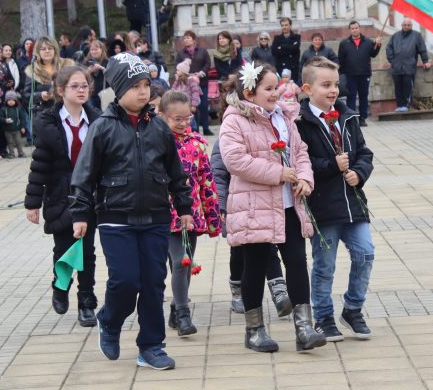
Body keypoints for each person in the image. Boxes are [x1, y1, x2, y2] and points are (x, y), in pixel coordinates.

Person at [70, 53, 194, 370]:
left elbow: (176, 172)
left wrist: (184, 206)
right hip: (115, 218)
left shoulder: (159, 129)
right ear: (118, 88)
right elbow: (83, 175)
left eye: (146, 85)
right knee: (125, 281)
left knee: (153, 282)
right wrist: (81, 214)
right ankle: (109, 321)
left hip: (155, 217)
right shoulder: (102, 127)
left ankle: (151, 346)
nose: (143, 92)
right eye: (135, 86)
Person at [219, 61, 326, 353]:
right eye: (268, 88)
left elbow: (300, 151)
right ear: (250, 92)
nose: (274, 93)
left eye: (276, 87)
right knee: (254, 266)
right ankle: (254, 331)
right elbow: (235, 160)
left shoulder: (284, 117)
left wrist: (304, 177)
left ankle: (304, 328)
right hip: (255, 206)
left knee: (296, 262)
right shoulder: (235, 120)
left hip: (289, 204)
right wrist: (277, 173)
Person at [296, 57, 375, 342]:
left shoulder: (348, 116)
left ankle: (353, 308)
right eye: (325, 85)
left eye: (336, 85)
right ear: (308, 88)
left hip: (354, 203)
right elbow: (301, 161)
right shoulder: (300, 123)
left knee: (365, 252)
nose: (333, 91)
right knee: (325, 265)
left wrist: (358, 173)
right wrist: (332, 165)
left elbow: (364, 152)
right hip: (323, 206)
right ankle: (324, 316)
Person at [25, 67, 100, 327]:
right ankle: (60, 286)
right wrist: (32, 203)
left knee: (87, 251)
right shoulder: (50, 123)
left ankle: (87, 302)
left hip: (89, 195)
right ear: (60, 90)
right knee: (64, 248)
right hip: (59, 194)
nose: (81, 90)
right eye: (75, 86)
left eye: (85, 86)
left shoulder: (97, 120)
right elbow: (40, 165)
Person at [158, 90, 220, 337]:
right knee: (180, 261)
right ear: (163, 116)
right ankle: (183, 313)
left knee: (184, 263)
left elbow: (207, 180)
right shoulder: (158, 142)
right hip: (164, 212)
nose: (183, 123)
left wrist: (213, 214)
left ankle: (176, 308)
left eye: (187, 118)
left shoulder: (197, 144)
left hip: (190, 214)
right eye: (177, 119)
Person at [210, 132, 292, 318]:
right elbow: (218, 176)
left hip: (264, 205)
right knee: (238, 252)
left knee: (268, 247)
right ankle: (237, 288)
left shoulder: (268, 136)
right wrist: (220, 206)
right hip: (238, 206)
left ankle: (279, 292)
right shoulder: (225, 139)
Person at [23, 37, 75, 132]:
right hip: (44, 114)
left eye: (50, 48)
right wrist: (40, 96)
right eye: (43, 49)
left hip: (67, 112)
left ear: (55, 50)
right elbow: (26, 96)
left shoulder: (67, 65)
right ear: (38, 51)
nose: (47, 51)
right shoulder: (32, 70)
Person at [338, 21, 381, 127]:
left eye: (356, 27)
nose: (354, 30)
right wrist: (341, 74)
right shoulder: (344, 43)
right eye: (352, 28)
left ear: (359, 28)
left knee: (363, 97)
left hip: (364, 74)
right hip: (350, 75)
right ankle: (352, 119)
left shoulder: (368, 41)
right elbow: (341, 59)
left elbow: (373, 54)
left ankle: (362, 119)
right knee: (351, 97)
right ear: (350, 30)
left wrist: (378, 46)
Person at [386, 19, 430, 113]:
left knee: (407, 87)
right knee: (398, 87)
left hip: (409, 67)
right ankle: (399, 105)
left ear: (411, 26)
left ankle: (406, 105)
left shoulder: (416, 36)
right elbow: (389, 48)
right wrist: (392, 60)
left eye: (408, 25)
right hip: (396, 67)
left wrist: (425, 61)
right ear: (402, 25)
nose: (406, 26)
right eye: (405, 25)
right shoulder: (395, 36)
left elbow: (422, 49)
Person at [175, 30, 212, 136]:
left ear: (194, 39)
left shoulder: (202, 51)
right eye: (184, 38)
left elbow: (207, 63)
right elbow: (177, 65)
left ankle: (206, 127)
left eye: (188, 37)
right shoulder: (181, 53)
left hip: (202, 81)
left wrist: (201, 73)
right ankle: (194, 129)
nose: (186, 40)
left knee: (203, 105)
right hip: (188, 83)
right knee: (191, 106)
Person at [270, 17, 301, 83]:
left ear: (290, 25)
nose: (284, 27)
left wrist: (282, 47)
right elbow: (274, 51)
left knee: (293, 91)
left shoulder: (296, 37)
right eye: (282, 25)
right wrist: (290, 47)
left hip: (293, 69)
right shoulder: (277, 38)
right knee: (282, 90)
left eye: (286, 25)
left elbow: (295, 49)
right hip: (281, 68)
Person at [0, 91, 27, 158]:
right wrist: (5, 120)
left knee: (18, 141)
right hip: (7, 130)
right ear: (6, 101)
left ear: (15, 101)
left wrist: (23, 127)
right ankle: (11, 153)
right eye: (9, 100)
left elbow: (23, 118)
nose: (11, 102)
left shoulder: (18, 109)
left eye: (12, 100)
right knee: (10, 142)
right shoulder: (3, 109)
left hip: (17, 129)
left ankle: (21, 152)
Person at [82, 40, 108, 109]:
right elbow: (80, 76)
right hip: (91, 93)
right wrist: (88, 71)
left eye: (96, 49)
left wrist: (101, 68)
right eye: (92, 50)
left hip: (104, 92)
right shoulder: (86, 62)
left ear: (101, 50)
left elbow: (112, 74)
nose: (94, 52)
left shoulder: (107, 62)